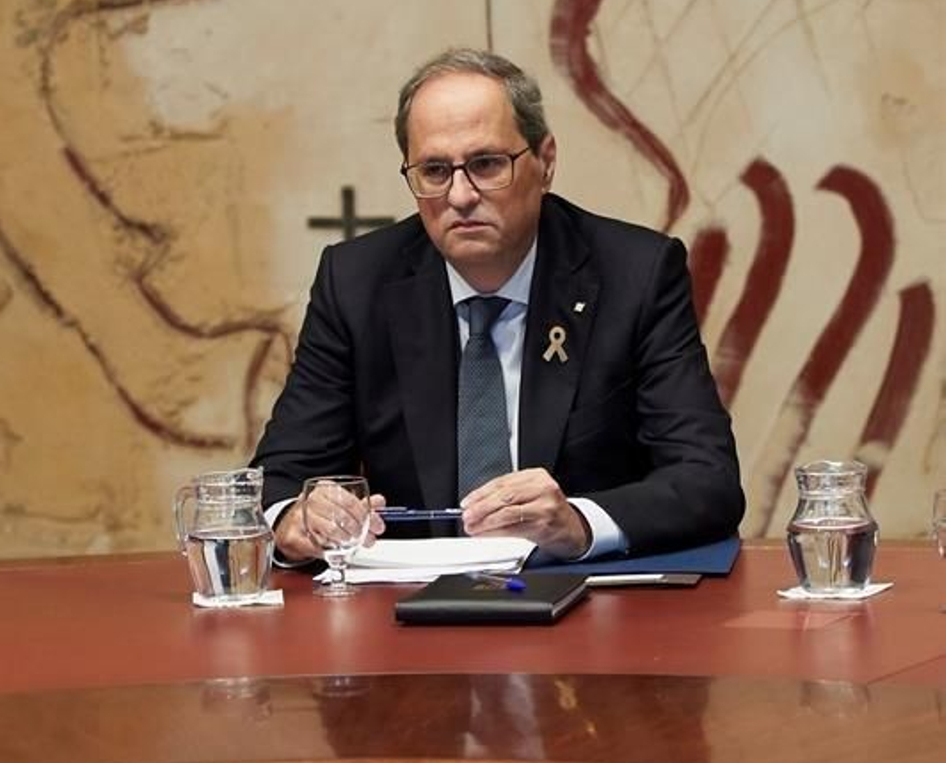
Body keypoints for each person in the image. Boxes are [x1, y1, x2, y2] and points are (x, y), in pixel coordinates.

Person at [251, 48, 743, 564]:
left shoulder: (635, 274)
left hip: (590, 610)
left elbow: (705, 480)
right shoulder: (357, 282)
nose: (460, 196)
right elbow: (281, 480)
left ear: (546, 161)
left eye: (486, 164)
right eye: (435, 171)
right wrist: (297, 517)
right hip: (408, 613)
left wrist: (578, 523)